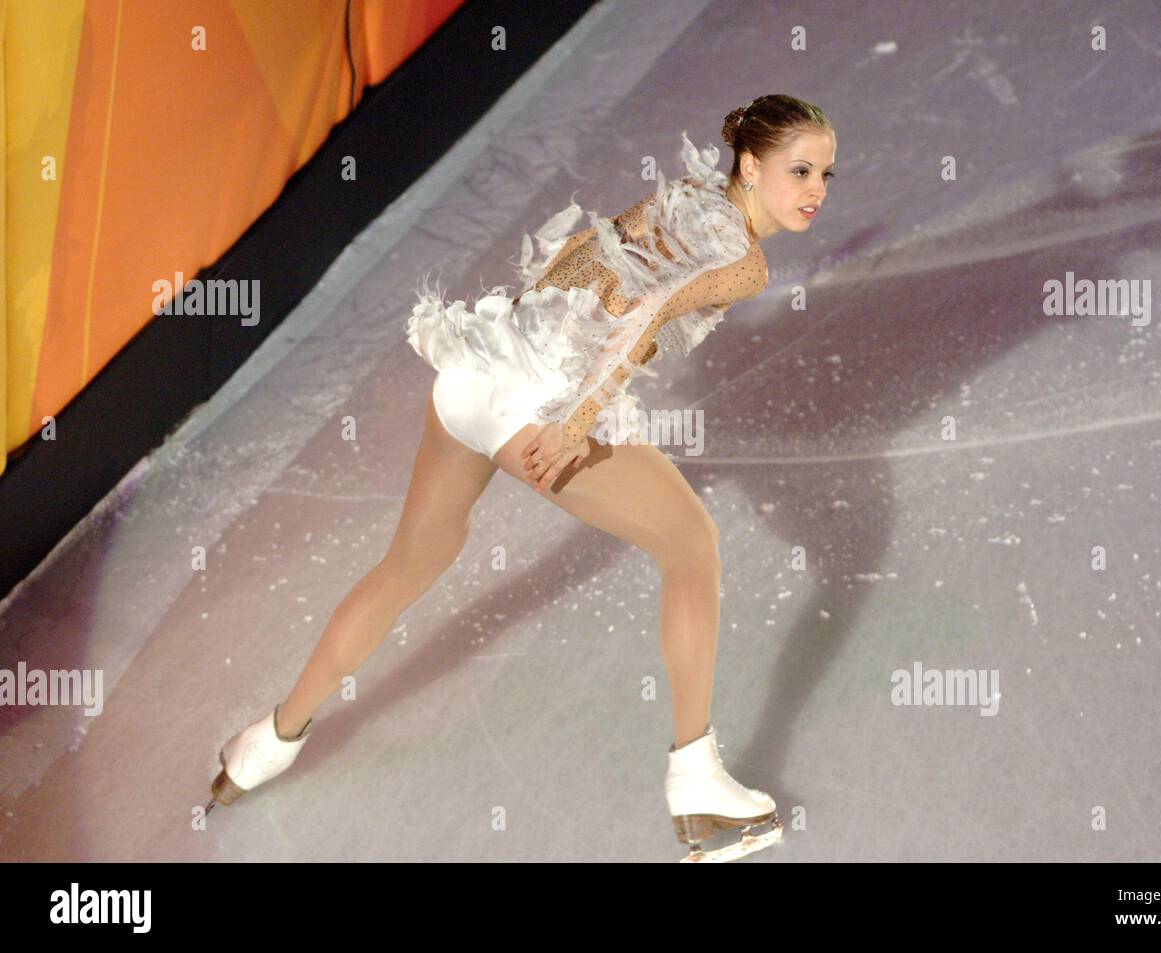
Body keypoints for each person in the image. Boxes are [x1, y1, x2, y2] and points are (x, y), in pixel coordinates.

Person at [210, 94, 835, 861]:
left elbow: (581, 245)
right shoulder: (744, 261)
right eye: (799, 170)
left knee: (410, 562)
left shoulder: (691, 197)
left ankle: (266, 742)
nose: (816, 189)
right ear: (749, 164)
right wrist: (578, 414)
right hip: (539, 404)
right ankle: (697, 786)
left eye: (826, 174)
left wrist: (527, 335)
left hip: (477, 369)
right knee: (692, 544)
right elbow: (649, 310)